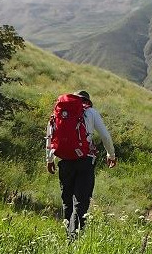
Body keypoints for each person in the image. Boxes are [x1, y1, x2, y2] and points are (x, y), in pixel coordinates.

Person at [46, 90, 116, 237]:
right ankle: (75, 237)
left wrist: (49, 160)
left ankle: (67, 233)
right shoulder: (90, 112)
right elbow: (104, 135)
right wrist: (111, 154)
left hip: (64, 161)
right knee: (81, 200)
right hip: (84, 160)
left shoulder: (58, 111)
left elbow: (50, 136)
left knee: (67, 199)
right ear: (87, 100)